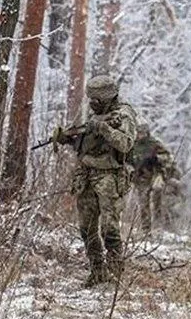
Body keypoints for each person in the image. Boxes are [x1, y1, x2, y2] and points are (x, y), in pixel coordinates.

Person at [54, 75, 137, 287]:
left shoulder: (123, 114)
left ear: (107, 98)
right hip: (87, 174)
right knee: (86, 227)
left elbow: (125, 143)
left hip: (109, 175)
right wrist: (69, 139)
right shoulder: (96, 114)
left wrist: (104, 129)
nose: (92, 103)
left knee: (109, 228)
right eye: (91, 99)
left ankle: (116, 276)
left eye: (96, 100)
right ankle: (98, 272)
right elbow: (86, 145)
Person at [128, 122, 180, 233]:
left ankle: (159, 226)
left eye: (142, 133)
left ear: (147, 133)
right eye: (138, 133)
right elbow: (127, 160)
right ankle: (146, 230)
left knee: (158, 199)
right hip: (141, 178)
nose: (139, 135)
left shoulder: (154, 143)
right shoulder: (133, 144)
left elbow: (168, 157)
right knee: (143, 204)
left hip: (155, 175)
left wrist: (156, 159)